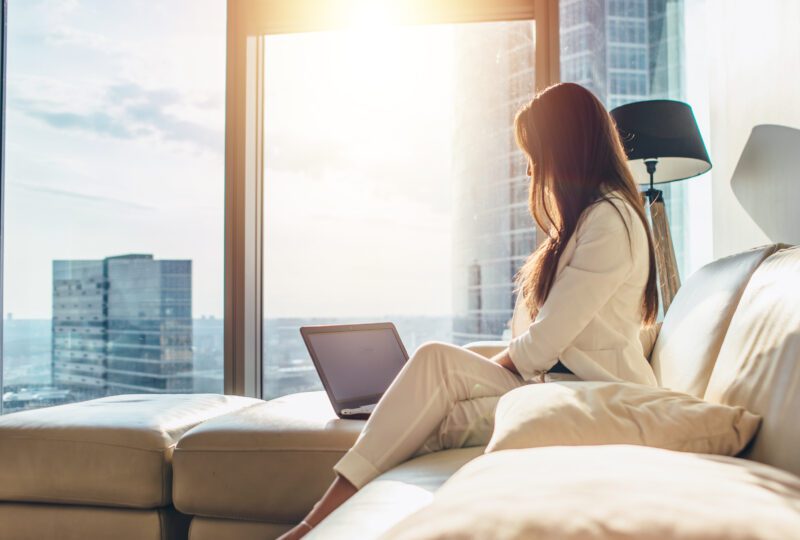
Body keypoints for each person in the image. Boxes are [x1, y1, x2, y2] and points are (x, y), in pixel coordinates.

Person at [278, 82, 659, 539]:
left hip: (591, 397)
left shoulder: (609, 221)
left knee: (436, 366)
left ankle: (313, 524)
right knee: (436, 397)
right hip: (556, 387)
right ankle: (334, 522)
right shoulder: (588, 221)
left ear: (567, 147)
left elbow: (540, 347)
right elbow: (542, 340)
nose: (533, 169)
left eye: (538, 154)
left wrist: (467, 375)